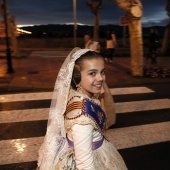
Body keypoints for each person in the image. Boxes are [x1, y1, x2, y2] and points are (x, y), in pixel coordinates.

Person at [37, 48, 127, 170]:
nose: (100, 78)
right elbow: (85, 165)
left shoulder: (76, 94)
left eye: (102, 72)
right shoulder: (82, 120)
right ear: (77, 76)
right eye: (92, 73)